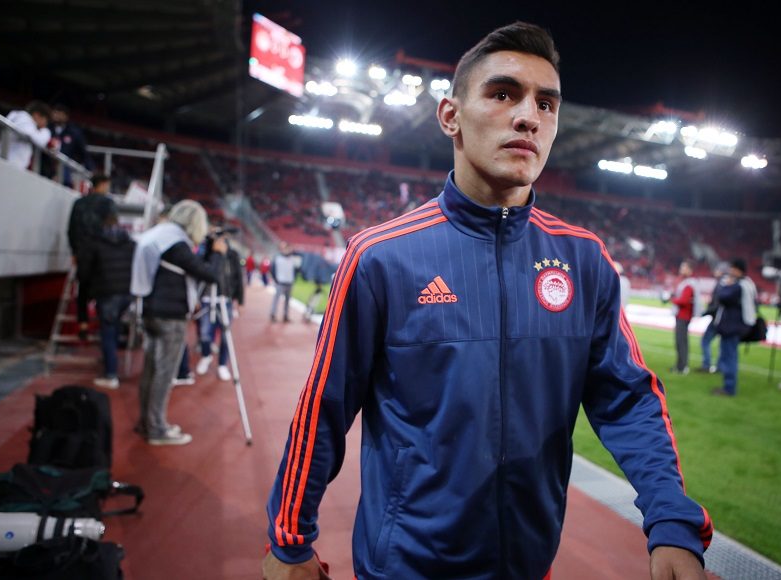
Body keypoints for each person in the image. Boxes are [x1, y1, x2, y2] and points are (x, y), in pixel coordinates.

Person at [263, 22, 711, 580]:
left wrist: (671, 519)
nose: (528, 117)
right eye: (503, 94)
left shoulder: (584, 259)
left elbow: (627, 399)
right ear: (450, 116)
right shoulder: (381, 256)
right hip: (403, 567)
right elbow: (324, 407)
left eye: (545, 104)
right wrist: (290, 539)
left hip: (529, 565)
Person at [131, 200, 224, 445]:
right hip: (169, 316)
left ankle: (146, 422)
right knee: (164, 373)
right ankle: (157, 429)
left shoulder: (161, 235)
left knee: (151, 370)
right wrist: (217, 253)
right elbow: (209, 274)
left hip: (150, 310)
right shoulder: (176, 243)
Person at [76, 211, 135, 389]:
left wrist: (87, 291)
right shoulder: (129, 242)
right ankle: (112, 364)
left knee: (107, 333)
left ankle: (111, 374)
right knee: (114, 328)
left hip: (106, 292)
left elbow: (84, 272)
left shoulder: (94, 243)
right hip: (127, 293)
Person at [67, 174, 117, 340]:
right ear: (102, 184)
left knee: (83, 288)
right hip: (102, 253)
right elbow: (112, 229)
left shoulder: (79, 203)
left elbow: (71, 229)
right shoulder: (108, 203)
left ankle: (83, 324)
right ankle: (104, 326)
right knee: (103, 290)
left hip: (83, 252)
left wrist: (74, 251)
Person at [195, 226, 245, 381]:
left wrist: (240, 301)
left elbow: (238, 278)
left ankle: (222, 364)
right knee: (205, 333)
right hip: (207, 299)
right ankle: (206, 356)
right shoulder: (206, 253)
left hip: (225, 299)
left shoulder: (232, 255)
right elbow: (200, 272)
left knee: (225, 335)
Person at [711, 258, 757, 397]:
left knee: (729, 357)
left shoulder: (738, 286)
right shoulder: (748, 284)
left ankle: (729, 388)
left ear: (738, 270)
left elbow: (723, 297)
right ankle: (728, 385)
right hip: (737, 325)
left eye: (732, 268)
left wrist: (727, 285)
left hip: (731, 326)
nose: (730, 271)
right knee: (730, 356)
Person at [0, 100, 51, 169]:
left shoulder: (20, 117)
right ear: (37, 115)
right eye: (45, 120)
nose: (45, 124)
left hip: (6, 160)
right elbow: (38, 140)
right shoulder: (24, 118)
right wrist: (46, 132)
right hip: (9, 162)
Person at [664, 260, 701, 374]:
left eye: (684, 267)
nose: (681, 269)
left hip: (683, 316)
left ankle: (683, 366)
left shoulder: (689, 283)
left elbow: (684, 301)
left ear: (690, 270)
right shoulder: (685, 281)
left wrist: (671, 299)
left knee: (681, 342)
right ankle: (680, 366)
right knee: (680, 342)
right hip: (682, 315)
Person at [44, 103, 93, 186]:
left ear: (66, 116)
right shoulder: (46, 128)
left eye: (59, 114)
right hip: (47, 162)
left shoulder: (74, 132)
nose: (56, 116)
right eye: (55, 113)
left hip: (64, 166)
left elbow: (83, 152)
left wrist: (90, 168)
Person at [697, 262, 727, 374]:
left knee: (705, 341)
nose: (715, 271)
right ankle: (720, 366)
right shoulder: (725, 283)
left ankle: (707, 365)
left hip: (717, 319)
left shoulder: (720, 285)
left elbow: (716, 305)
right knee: (722, 345)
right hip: (723, 319)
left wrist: (704, 313)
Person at [269, 242, 296, 322]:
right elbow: (272, 270)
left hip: (289, 282)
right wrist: (276, 279)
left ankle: (285, 315)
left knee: (287, 301)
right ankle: (273, 314)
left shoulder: (292, 258)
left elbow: (295, 270)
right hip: (280, 282)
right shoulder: (277, 258)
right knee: (276, 299)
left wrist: (293, 278)